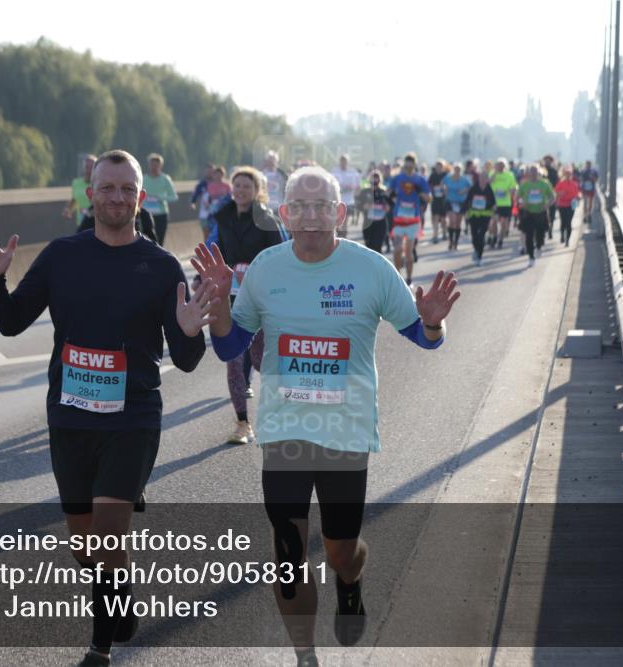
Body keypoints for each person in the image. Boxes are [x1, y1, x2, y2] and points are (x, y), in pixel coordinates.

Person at [193, 166, 460, 667]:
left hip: (345, 433)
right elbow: (230, 343)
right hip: (285, 432)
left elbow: (422, 336)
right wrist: (221, 307)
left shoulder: (372, 269)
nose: (312, 216)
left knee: (340, 550)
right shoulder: (267, 270)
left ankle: (350, 579)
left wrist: (433, 324)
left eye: (323, 207)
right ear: (286, 214)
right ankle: (305, 657)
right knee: (289, 557)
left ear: (339, 213)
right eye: (301, 207)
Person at [0, 149, 212, 667]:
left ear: (141, 198)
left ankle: (99, 645)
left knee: (109, 528)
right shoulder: (61, 256)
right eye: (108, 187)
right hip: (70, 416)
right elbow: (10, 322)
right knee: (85, 546)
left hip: (133, 417)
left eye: (127, 189)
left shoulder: (162, 267)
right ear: (90, 194)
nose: (117, 197)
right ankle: (117, 600)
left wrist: (190, 332)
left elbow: (185, 360)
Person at [205, 166, 284, 444]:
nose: (240, 190)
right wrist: (204, 277)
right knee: (234, 362)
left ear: (257, 190)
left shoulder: (267, 219)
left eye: (246, 186)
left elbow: (281, 256)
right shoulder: (222, 219)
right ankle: (243, 424)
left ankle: (286, 409)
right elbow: (211, 250)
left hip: (261, 299)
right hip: (231, 300)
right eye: (236, 185)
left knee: (263, 360)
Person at [387, 153, 430, 286]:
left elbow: (429, 198)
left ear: (415, 165)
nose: (409, 166)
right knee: (397, 249)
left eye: (411, 163)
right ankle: (398, 277)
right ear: (405, 165)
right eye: (407, 163)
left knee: (408, 251)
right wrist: (390, 194)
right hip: (399, 219)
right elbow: (388, 191)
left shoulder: (420, 180)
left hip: (413, 220)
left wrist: (419, 192)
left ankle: (409, 278)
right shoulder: (398, 178)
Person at [517, 164, 556, 267]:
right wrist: (521, 204)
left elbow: (552, 197)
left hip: (540, 213)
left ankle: (539, 246)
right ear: (528, 173)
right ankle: (531, 257)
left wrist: (547, 205)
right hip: (528, 213)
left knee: (540, 234)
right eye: (531, 172)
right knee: (528, 236)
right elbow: (517, 197)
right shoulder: (525, 185)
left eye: (535, 172)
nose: (533, 174)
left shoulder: (544, 184)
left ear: (538, 173)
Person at [142, 153, 179, 246]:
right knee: (146, 240)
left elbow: (174, 197)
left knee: (159, 241)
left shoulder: (165, 179)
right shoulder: (143, 179)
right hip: (145, 214)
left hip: (161, 214)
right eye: (152, 165)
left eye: (156, 165)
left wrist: (161, 198)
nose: (154, 167)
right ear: (149, 165)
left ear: (160, 166)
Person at [464, 170, 496, 266]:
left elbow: (494, 203)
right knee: (474, 236)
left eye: (484, 177)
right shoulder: (474, 188)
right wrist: (465, 212)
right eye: (481, 177)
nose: (482, 179)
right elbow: (467, 200)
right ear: (478, 178)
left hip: (485, 216)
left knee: (481, 235)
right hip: (474, 215)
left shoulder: (489, 189)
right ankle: (476, 249)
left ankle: (480, 256)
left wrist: (493, 212)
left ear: (487, 179)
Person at [490, 158, 519, 250]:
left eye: (502, 165)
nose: (500, 167)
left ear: (505, 166)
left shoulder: (509, 175)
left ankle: (500, 240)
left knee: (504, 223)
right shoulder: (492, 173)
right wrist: (495, 172)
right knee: (493, 221)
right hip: (494, 202)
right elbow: (489, 182)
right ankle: (494, 237)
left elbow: (514, 186)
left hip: (506, 202)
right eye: (499, 165)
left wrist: (512, 191)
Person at [360, 170, 391, 254]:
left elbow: (390, 206)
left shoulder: (384, 192)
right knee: (369, 248)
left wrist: (386, 207)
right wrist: (366, 206)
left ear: (380, 180)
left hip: (381, 223)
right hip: (368, 224)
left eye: (377, 180)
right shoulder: (364, 192)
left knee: (378, 248)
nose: (374, 182)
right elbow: (359, 205)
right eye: (373, 179)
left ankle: (377, 266)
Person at [331, 155, 361, 237]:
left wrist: (352, 188)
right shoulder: (334, 171)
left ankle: (343, 238)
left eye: (345, 161)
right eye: (342, 161)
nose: (343, 163)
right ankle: (336, 237)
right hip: (337, 201)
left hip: (348, 201)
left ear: (347, 162)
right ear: (339, 161)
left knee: (345, 221)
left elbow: (358, 187)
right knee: (336, 222)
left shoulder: (353, 172)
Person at [64, 155, 97, 226]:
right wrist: (69, 210)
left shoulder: (99, 184)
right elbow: (75, 200)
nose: (89, 170)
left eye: (91, 167)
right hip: (81, 224)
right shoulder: (76, 183)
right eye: (87, 167)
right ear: (84, 167)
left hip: (95, 225)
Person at [445, 164, 471, 251]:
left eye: (459, 169)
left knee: (457, 223)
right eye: (455, 169)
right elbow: (442, 184)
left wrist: (464, 191)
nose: (457, 171)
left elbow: (470, 187)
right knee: (452, 221)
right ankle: (450, 241)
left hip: (461, 202)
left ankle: (456, 242)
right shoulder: (448, 178)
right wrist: (445, 189)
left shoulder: (464, 179)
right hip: (450, 201)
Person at [554, 166, 582, 246]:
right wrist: (560, 193)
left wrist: (579, 197)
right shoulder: (560, 183)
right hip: (562, 205)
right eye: (567, 174)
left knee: (569, 222)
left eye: (569, 174)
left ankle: (567, 240)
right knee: (563, 221)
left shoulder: (574, 184)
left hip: (572, 205)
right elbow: (555, 193)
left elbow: (578, 193)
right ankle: (562, 234)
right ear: (564, 175)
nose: (568, 176)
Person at [191, 163, 215, 240]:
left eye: (211, 171)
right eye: (208, 171)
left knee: (215, 235)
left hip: (216, 214)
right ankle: (207, 251)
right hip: (204, 214)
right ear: (205, 172)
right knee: (206, 236)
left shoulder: (218, 184)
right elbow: (195, 195)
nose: (209, 173)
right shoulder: (201, 184)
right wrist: (193, 203)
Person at [427, 160, 448, 244]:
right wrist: (432, 189)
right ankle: (435, 235)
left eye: (440, 166)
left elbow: (448, 185)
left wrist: (444, 188)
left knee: (443, 218)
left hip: (443, 199)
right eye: (437, 166)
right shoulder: (432, 175)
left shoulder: (445, 176)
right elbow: (428, 185)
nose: (438, 168)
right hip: (435, 199)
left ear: (443, 167)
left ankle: (444, 233)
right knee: (435, 217)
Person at [542, 155, 560, 240]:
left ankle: (550, 229)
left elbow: (557, 184)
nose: (547, 162)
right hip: (541, 196)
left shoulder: (554, 172)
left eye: (549, 161)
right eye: (546, 161)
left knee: (552, 214)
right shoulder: (541, 171)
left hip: (551, 195)